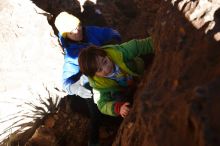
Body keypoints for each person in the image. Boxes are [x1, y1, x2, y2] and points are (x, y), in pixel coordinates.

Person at [54, 11, 121, 146]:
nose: (78, 30)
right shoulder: (72, 56)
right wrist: (76, 87)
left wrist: (113, 45)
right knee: (95, 107)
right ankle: (97, 135)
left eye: (78, 25)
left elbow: (111, 33)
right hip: (93, 79)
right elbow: (66, 82)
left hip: (107, 65)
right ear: (66, 35)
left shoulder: (90, 32)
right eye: (72, 31)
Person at [78, 37, 154, 118]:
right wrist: (118, 108)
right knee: (118, 98)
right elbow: (102, 104)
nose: (106, 69)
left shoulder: (117, 53)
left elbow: (137, 46)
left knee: (146, 58)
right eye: (100, 70)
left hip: (139, 71)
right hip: (126, 89)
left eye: (105, 62)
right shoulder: (98, 84)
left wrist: (155, 42)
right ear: (94, 75)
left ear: (106, 54)